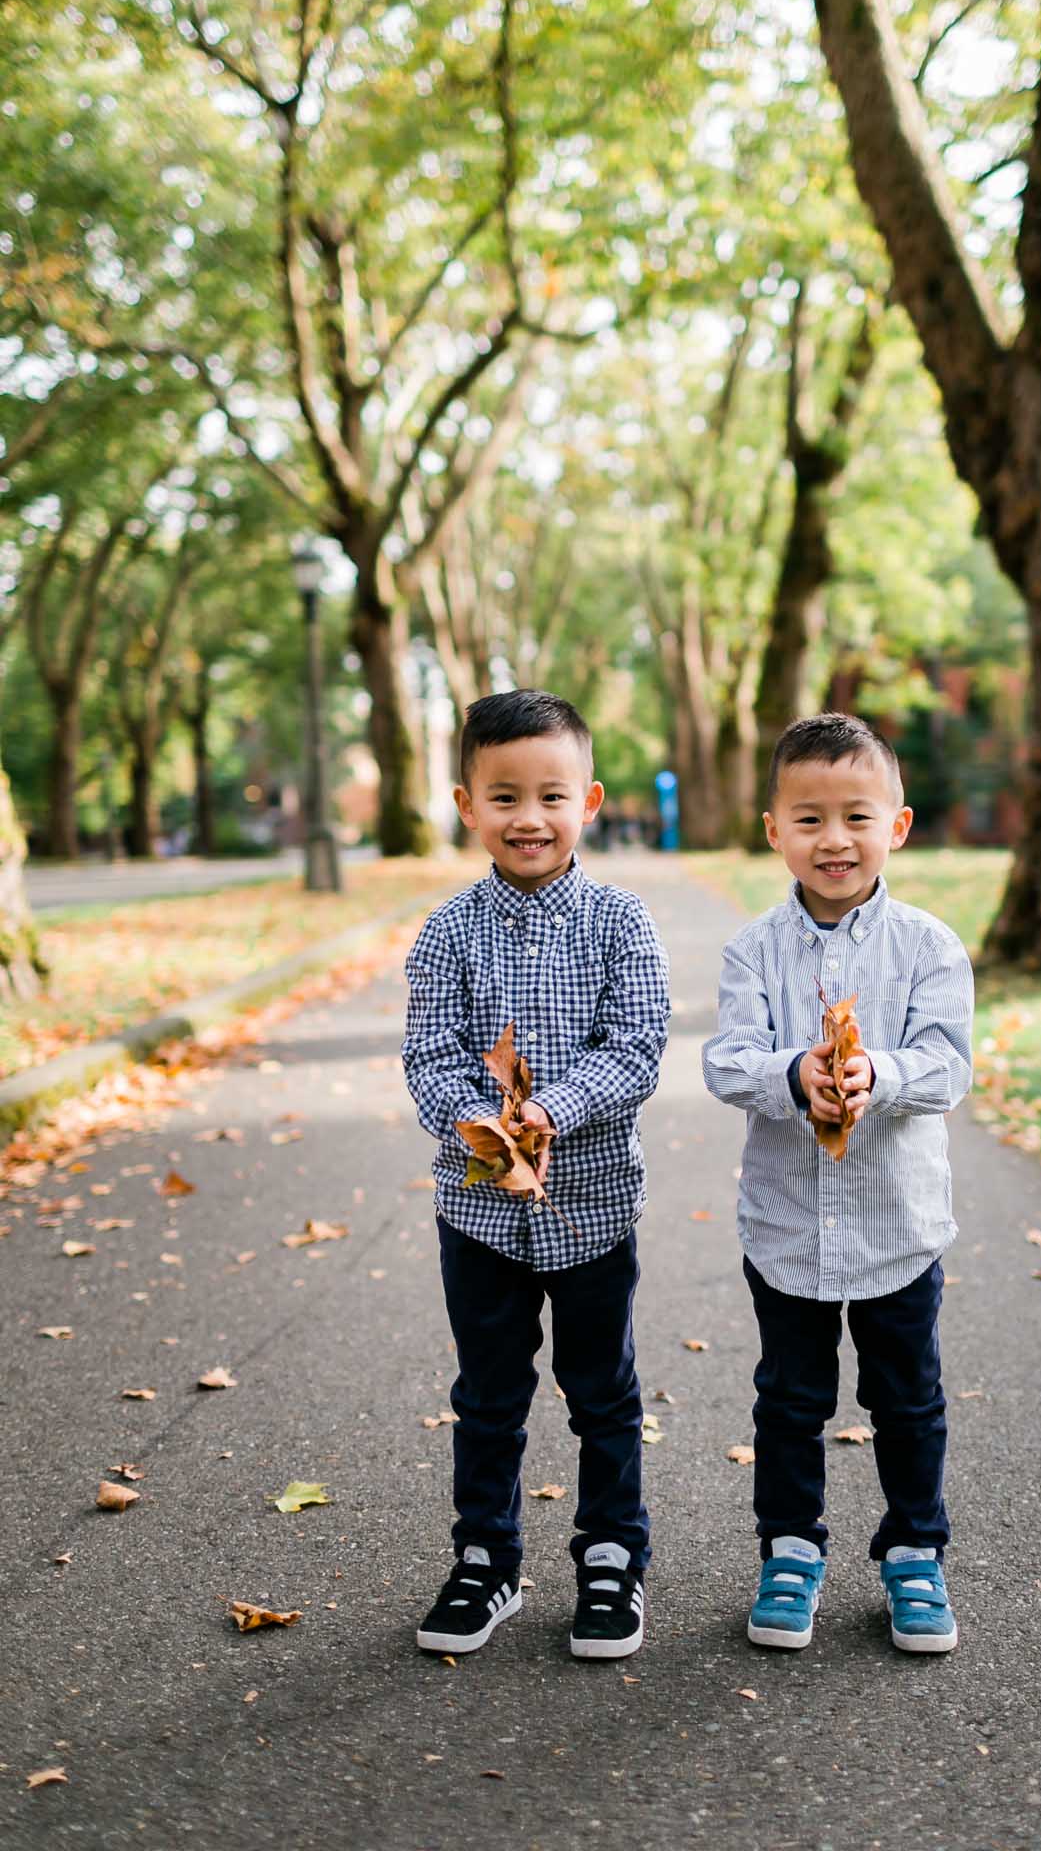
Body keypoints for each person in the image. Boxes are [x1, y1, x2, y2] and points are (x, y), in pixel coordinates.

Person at [402, 689, 670, 1661]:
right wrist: (479, 1123)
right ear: (466, 804)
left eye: (550, 794)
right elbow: (428, 1056)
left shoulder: (619, 922)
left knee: (603, 1389)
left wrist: (552, 1106)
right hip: (477, 1209)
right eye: (504, 794)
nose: (529, 816)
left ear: (587, 799)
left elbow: (638, 1047)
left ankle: (611, 1553)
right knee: (487, 1391)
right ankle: (486, 1556)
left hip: (593, 1201)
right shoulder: (444, 933)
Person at [702, 712, 973, 1655]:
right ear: (773, 830)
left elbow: (947, 1067)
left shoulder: (930, 948)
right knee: (789, 1398)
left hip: (897, 1224)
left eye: (856, 817)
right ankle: (789, 1546)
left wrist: (877, 1075)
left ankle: (913, 1551)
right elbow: (726, 1062)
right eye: (809, 818)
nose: (834, 839)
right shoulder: (752, 951)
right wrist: (794, 1075)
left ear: (895, 826)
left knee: (906, 1397)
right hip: (785, 1227)